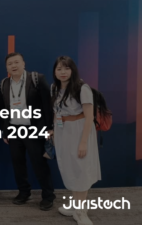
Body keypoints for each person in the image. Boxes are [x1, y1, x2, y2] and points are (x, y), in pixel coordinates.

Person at [0, 52, 55, 211]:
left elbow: (47, 105)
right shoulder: (4, 83)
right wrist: (5, 131)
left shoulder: (37, 79)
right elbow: (3, 110)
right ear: (6, 67)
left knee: (39, 163)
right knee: (18, 164)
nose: (13, 66)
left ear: (24, 63)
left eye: (16, 62)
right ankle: (24, 192)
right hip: (14, 130)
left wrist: (49, 128)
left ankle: (48, 195)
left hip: (33, 129)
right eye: (10, 64)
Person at [50, 56, 101, 225]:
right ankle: (75, 206)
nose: (63, 72)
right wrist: (54, 133)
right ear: (55, 72)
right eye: (59, 69)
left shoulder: (82, 88)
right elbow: (56, 112)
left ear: (72, 70)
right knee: (70, 169)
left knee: (82, 171)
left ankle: (81, 212)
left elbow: (89, 117)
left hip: (79, 131)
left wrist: (84, 142)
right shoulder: (54, 88)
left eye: (66, 68)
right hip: (62, 132)